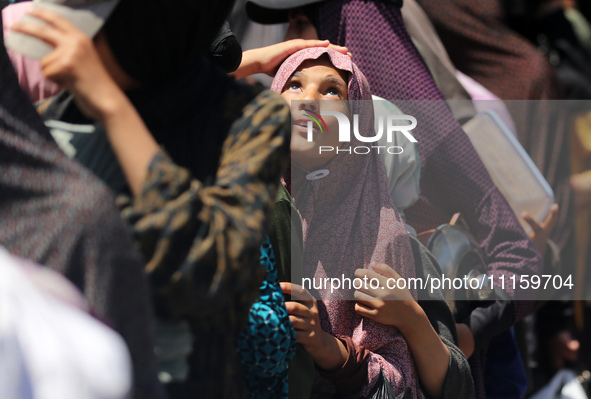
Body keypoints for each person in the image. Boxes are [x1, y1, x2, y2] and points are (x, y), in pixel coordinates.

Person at [245, 1, 544, 397]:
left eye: (301, 22)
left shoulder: (387, 237)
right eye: (294, 83)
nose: (290, 40)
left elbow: (520, 261)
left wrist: (426, 328)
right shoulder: (249, 200)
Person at [269, 46, 473, 399]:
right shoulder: (249, 215)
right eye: (295, 84)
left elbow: (455, 389)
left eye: (333, 90)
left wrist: (409, 316)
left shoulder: (395, 246)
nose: (309, 100)